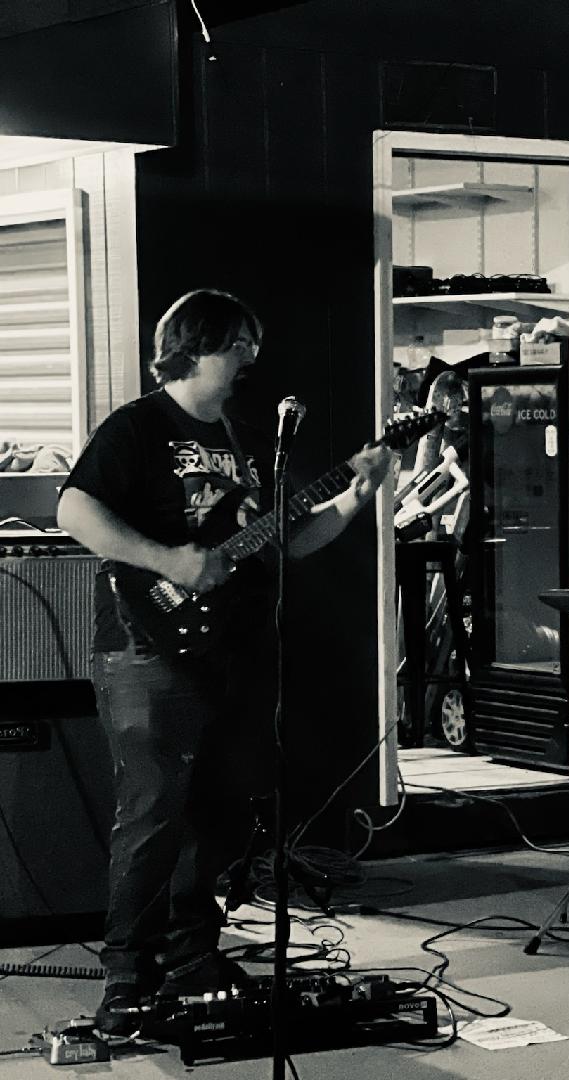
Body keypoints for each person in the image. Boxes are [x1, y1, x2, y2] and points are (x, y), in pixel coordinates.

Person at [56, 289, 395, 1036]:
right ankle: (125, 976)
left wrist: (355, 497)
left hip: (223, 654)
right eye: (240, 342)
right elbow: (74, 511)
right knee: (151, 815)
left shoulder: (243, 440)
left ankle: (191, 958)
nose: (251, 357)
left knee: (212, 814)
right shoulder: (137, 426)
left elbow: (285, 541)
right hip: (145, 649)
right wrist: (169, 561)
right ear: (198, 346)